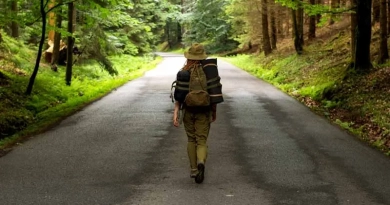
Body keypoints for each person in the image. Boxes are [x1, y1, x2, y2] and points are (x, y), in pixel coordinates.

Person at [173, 43, 217, 184]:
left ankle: (194, 170)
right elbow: (214, 93)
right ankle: (201, 162)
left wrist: (176, 113)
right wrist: (214, 111)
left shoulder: (183, 72)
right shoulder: (209, 72)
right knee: (202, 140)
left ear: (189, 57)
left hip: (188, 110)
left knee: (192, 139)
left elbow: (178, 96)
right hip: (204, 111)